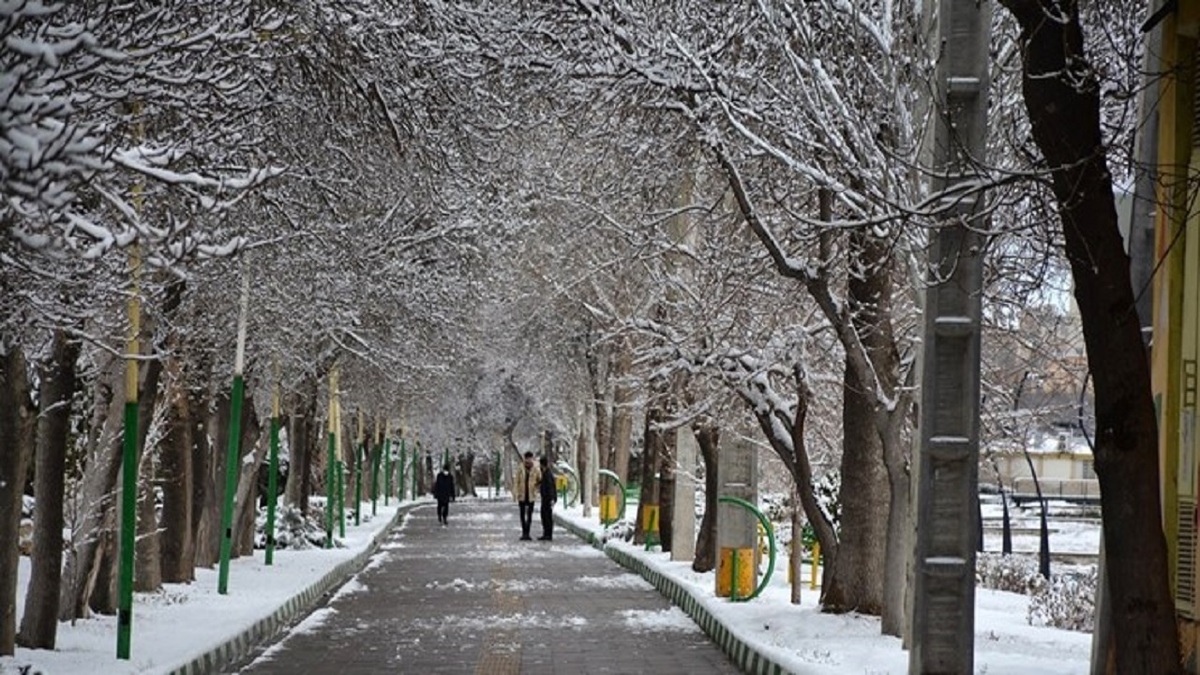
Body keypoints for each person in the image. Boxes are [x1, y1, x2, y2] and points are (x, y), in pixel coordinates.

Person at [513, 451, 541, 540]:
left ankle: (527, 533)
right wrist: (516, 493)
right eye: (527, 458)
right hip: (522, 495)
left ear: (532, 459)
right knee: (522, 515)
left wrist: (536, 489)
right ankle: (524, 532)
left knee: (529, 515)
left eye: (530, 458)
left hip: (531, 496)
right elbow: (516, 482)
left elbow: (539, 480)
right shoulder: (520, 469)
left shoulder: (536, 469)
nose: (528, 460)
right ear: (524, 459)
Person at [537, 457, 557, 541]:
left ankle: (548, 534)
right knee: (544, 516)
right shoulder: (545, 473)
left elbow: (550, 487)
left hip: (548, 499)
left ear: (542, 464)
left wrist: (552, 499)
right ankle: (546, 533)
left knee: (547, 516)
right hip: (545, 498)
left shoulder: (548, 474)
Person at [433, 462, 456, 526]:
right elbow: (437, 485)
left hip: (445, 494)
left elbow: (451, 486)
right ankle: (440, 516)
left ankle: (444, 517)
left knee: (445, 507)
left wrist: (452, 495)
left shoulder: (449, 476)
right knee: (441, 506)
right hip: (442, 494)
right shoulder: (440, 476)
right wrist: (436, 493)